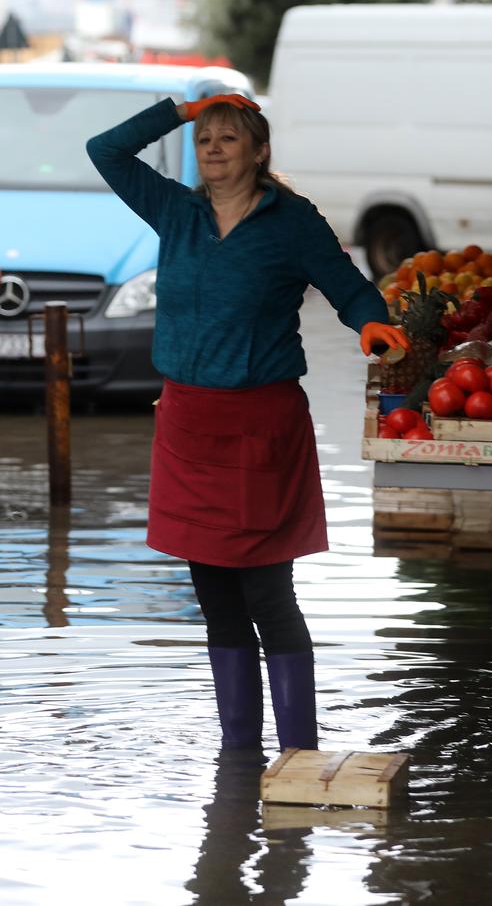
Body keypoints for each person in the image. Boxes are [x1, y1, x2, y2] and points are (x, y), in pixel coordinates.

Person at [85, 92, 409, 755]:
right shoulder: (175, 210)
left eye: (228, 137)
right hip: (187, 424)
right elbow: (105, 150)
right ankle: (239, 756)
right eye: (204, 137)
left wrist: (372, 322)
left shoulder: (292, 221)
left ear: (260, 152)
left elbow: (346, 285)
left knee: (268, 592)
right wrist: (181, 110)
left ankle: (299, 754)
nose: (212, 147)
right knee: (214, 595)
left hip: (262, 424)